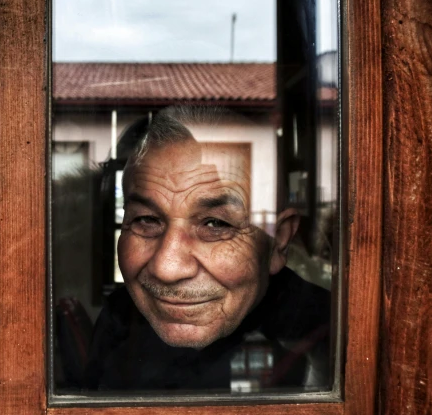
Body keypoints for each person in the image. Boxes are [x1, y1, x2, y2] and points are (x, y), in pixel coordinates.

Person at [84, 106, 331, 391]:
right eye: (146, 220)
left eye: (215, 224)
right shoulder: (119, 317)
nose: (167, 267)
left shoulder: (330, 341)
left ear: (279, 241)